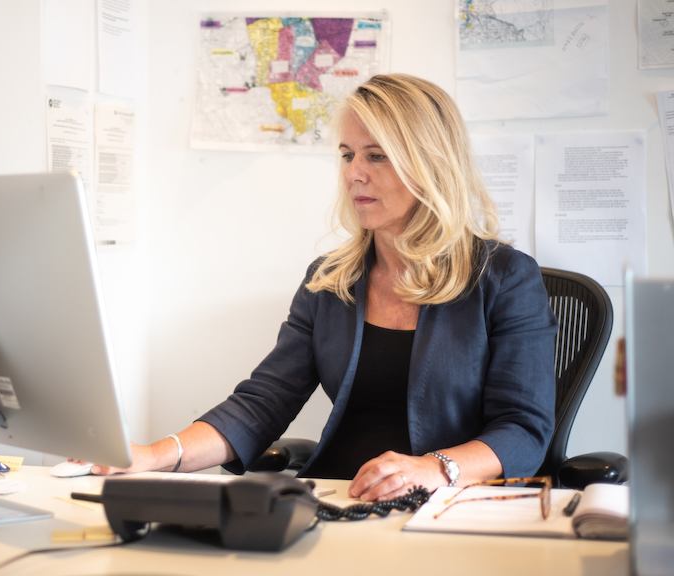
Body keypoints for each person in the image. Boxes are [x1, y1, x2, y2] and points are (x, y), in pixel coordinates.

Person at [94, 73, 557, 502]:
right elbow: (262, 404)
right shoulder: (331, 280)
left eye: (376, 155)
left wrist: (433, 468)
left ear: (431, 163)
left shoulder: (504, 279)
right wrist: (154, 456)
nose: (354, 173)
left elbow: (523, 429)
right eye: (347, 154)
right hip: (340, 499)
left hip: (451, 506)